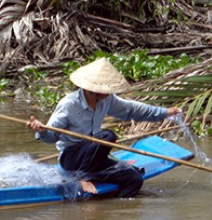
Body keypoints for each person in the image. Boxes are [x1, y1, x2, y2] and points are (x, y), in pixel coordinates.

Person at [26, 57, 182, 198]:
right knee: (108, 136)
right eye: (105, 88)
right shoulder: (69, 105)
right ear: (90, 88)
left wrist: (164, 113)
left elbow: (132, 109)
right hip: (72, 159)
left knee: (134, 179)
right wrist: (42, 130)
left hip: (95, 158)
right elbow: (52, 136)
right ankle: (82, 179)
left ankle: (112, 208)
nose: (109, 91)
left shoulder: (106, 100)